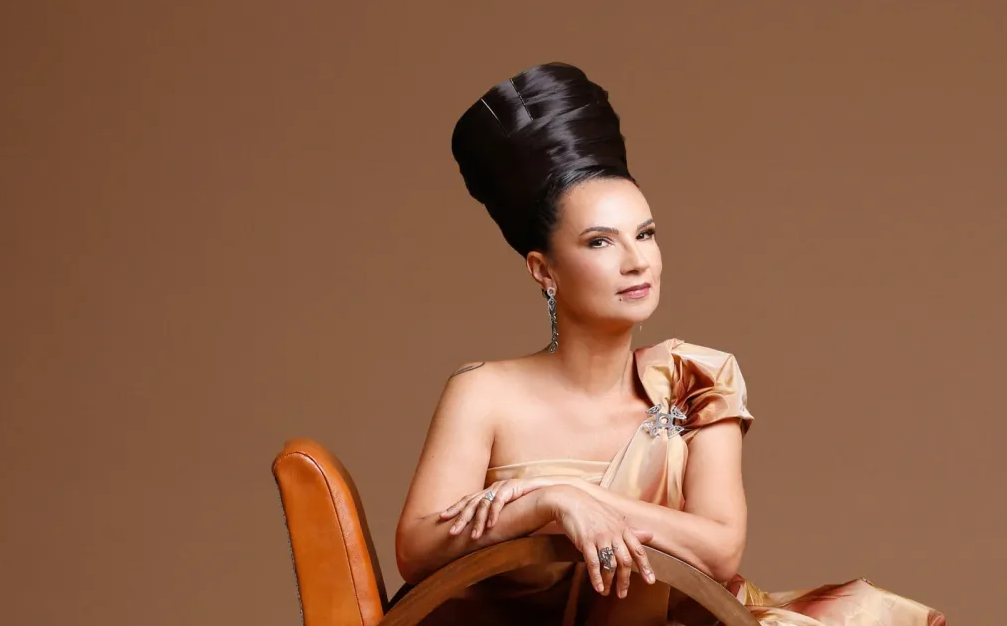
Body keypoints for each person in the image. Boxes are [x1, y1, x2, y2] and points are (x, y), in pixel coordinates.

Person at [392, 63, 946, 625]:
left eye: (646, 234)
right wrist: (550, 503)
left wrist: (582, 495)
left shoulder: (695, 380)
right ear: (544, 270)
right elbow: (416, 552)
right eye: (600, 241)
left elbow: (719, 551)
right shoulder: (484, 392)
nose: (637, 261)